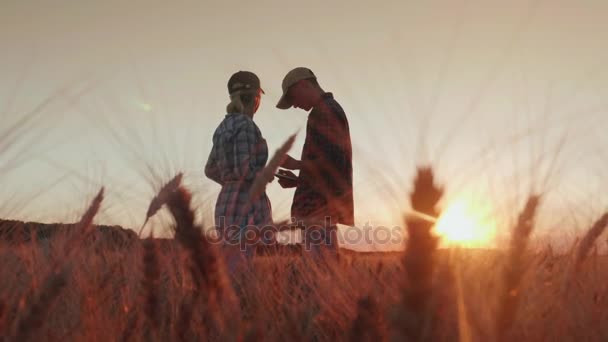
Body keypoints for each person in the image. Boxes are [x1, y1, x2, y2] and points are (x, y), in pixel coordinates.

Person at [275, 67, 354, 259]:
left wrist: (295, 164)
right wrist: (298, 181)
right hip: (322, 207)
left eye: (293, 97)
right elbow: (328, 167)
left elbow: (331, 162)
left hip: (319, 209)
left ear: (303, 85)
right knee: (322, 268)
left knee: (321, 268)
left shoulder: (324, 111)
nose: (294, 105)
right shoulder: (328, 109)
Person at [205, 71, 274, 270]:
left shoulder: (222, 127)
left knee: (228, 264)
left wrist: (229, 182)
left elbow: (210, 169)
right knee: (241, 266)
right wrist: (266, 174)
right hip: (245, 204)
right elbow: (245, 170)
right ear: (255, 98)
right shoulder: (246, 125)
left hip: (226, 201)